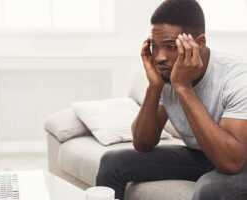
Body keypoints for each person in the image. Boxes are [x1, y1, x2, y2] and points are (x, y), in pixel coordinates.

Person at [95, 0, 247, 199]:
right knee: (112, 162)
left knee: (210, 190)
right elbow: (143, 144)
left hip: (240, 160)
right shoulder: (167, 75)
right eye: (154, 46)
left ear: (199, 43)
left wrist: (183, 88)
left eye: (170, 47)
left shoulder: (237, 77)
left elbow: (230, 163)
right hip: (202, 154)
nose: (159, 57)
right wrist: (154, 87)